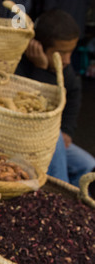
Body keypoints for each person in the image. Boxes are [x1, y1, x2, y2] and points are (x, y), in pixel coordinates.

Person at [15, 9, 95, 193]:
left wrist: (68, 129)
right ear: (37, 47)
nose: (67, 60)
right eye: (60, 53)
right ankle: (61, 199)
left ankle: (78, 203)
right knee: (56, 139)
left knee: (88, 165)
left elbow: (74, 92)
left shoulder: (63, 66)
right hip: (26, 139)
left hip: (53, 139)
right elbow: (33, 108)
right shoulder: (21, 63)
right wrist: (42, 69)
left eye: (70, 52)